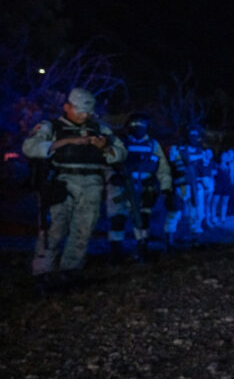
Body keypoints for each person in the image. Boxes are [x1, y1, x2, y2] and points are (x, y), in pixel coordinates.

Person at [22, 87, 126, 288]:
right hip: (61, 183)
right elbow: (30, 147)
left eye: (88, 112)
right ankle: (43, 272)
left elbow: (121, 153)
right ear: (67, 107)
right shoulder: (51, 127)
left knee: (83, 230)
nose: (84, 115)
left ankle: (70, 271)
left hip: (91, 185)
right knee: (52, 230)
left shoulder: (100, 129)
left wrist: (104, 147)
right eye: (79, 111)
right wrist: (66, 142)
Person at [105, 113, 172, 262]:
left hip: (144, 189)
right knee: (117, 219)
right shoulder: (120, 143)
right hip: (121, 188)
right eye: (134, 126)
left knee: (142, 219)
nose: (138, 129)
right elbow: (107, 163)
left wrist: (165, 187)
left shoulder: (153, 145)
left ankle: (142, 249)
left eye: (142, 126)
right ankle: (115, 252)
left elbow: (163, 169)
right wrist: (112, 177)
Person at [163, 124, 207, 244]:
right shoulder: (177, 150)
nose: (194, 137)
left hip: (197, 187)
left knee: (197, 213)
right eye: (191, 134)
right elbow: (173, 167)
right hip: (181, 186)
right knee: (175, 212)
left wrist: (206, 185)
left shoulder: (201, 151)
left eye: (196, 135)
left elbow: (204, 169)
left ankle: (196, 238)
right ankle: (169, 239)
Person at [211, 148, 234, 224]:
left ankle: (223, 217)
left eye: (227, 156)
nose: (225, 158)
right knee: (215, 202)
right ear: (221, 157)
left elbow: (232, 177)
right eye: (224, 156)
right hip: (218, 186)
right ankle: (213, 217)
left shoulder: (230, 166)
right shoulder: (217, 166)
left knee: (225, 202)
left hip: (227, 187)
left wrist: (231, 184)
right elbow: (213, 176)